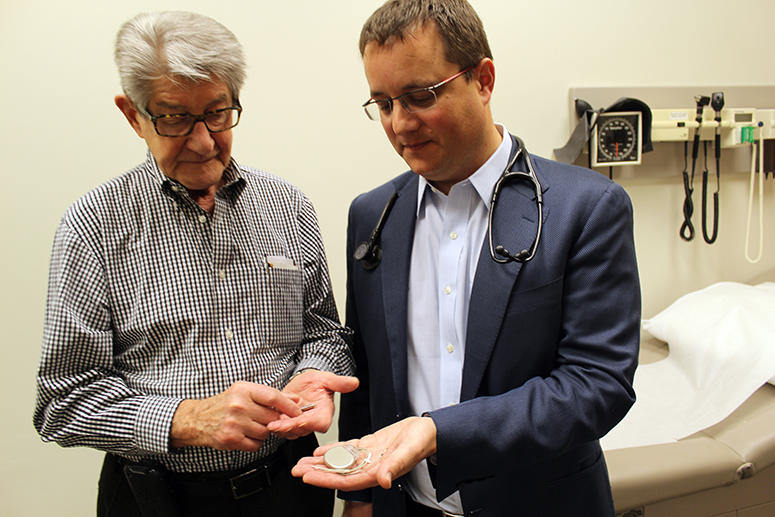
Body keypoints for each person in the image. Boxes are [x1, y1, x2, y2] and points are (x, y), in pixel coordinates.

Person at [291, 1, 641, 516]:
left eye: (419, 97)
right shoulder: (372, 216)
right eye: (384, 104)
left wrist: (437, 432)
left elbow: (596, 386)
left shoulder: (585, 209)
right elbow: (370, 366)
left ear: (483, 79)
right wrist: (358, 495)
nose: (400, 123)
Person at [33, 11, 357, 517]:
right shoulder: (92, 226)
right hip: (156, 500)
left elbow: (323, 332)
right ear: (131, 114)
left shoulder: (287, 206)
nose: (204, 141)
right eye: (174, 118)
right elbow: (61, 401)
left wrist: (315, 374)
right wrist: (185, 420)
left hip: (289, 487)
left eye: (218, 113)